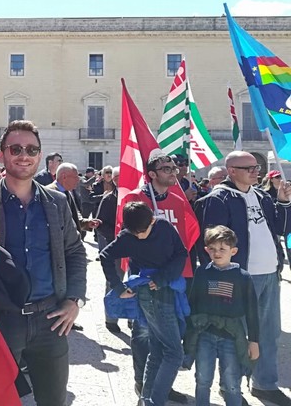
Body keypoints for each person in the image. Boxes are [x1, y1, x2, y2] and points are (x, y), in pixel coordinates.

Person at [0, 120, 87, 406]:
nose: (24, 155)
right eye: (16, 148)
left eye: (32, 149)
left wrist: (74, 300)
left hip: (50, 320)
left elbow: (75, 252)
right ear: (2, 154)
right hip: (1, 320)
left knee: (53, 401)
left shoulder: (57, 202)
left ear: (40, 155)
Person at [199, 151, 291, 405]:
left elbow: (281, 229)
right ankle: (230, 386)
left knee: (268, 333)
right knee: (234, 335)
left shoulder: (261, 195)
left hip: (269, 273)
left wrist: (283, 203)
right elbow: (211, 242)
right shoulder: (219, 198)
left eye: (256, 167)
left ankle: (265, 383)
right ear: (231, 170)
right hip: (239, 278)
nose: (255, 171)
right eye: (249, 167)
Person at [117, 152, 192, 403]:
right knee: (143, 335)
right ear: (152, 174)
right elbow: (124, 239)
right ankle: (143, 384)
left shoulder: (178, 201)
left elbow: (182, 242)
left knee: (165, 341)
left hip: (171, 280)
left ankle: (161, 387)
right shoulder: (136, 200)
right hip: (145, 282)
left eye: (175, 167)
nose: (174, 171)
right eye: (167, 168)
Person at [100, 201, 188, 406]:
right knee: (175, 353)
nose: (140, 235)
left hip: (170, 290)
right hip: (148, 295)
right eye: (135, 232)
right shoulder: (127, 236)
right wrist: (118, 287)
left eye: (144, 230)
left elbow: (181, 253)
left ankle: (146, 399)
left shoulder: (164, 227)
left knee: (158, 350)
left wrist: (164, 278)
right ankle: (153, 401)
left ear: (153, 220)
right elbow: (105, 255)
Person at [184, 225, 260, 406]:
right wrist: (188, 333)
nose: (217, 253)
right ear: (206, 250)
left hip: (232, 336)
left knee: (233, 383)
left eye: (222, 249)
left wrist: (254, 341)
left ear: (233, 251)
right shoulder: (202, 272)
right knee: (202, 379)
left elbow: (252, 311)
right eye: (212, 249)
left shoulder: (243, 277)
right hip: (205, 334)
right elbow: (192, 304)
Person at [94, 166, 123, 332]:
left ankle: (132, 317)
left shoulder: (138, 197)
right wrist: (115, 238)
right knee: (114, 282)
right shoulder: (109, 199)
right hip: (117, 248)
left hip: (137, 250)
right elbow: (100, 223)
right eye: (116, 177)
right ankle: (111, 319)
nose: (119, 180)